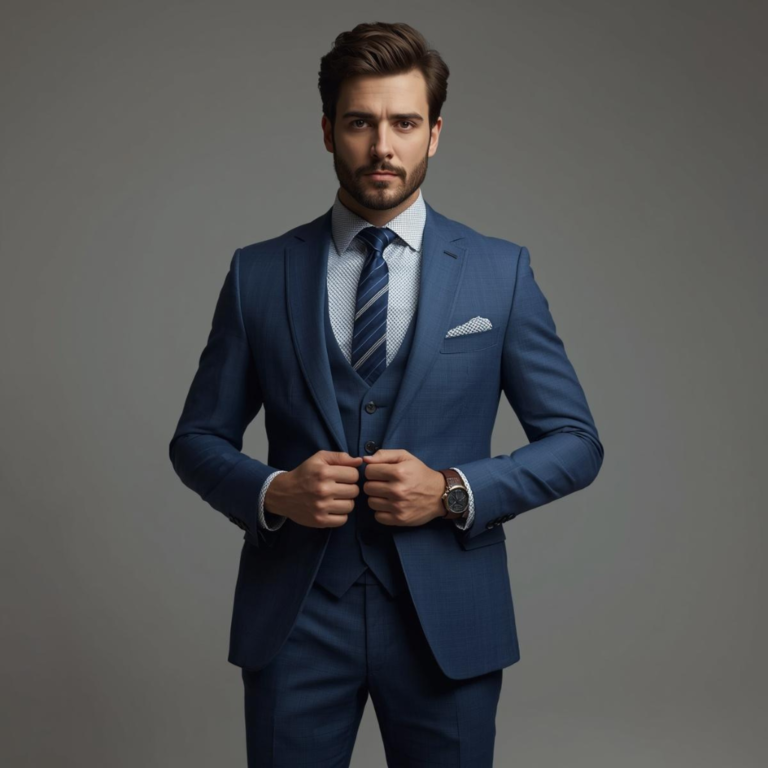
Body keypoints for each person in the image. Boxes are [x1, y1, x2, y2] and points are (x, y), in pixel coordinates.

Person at [169, 20, 604, 768]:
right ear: (328, 131)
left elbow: (576, 441)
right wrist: (275, 491)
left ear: (434, 133)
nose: (382, 148)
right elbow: (196, 440)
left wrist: (454, 490)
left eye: (404, 123)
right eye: (361, 123)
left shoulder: (500, 274)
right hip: (297, 617)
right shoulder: (258, 274)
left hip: (449, 620)